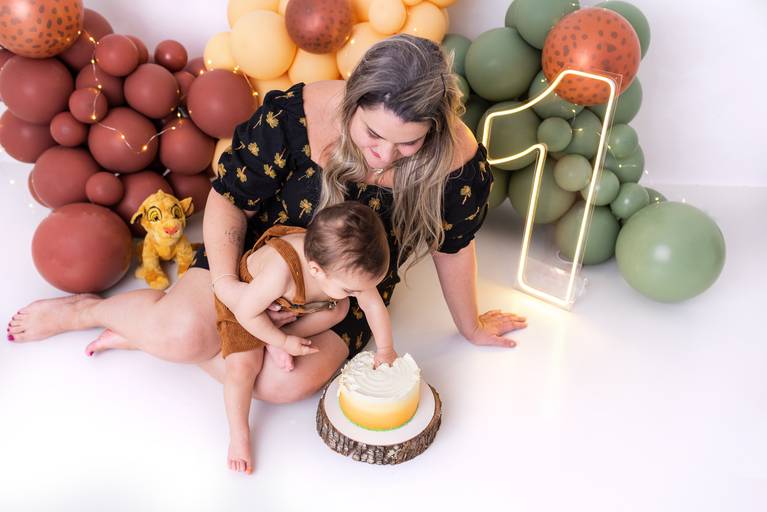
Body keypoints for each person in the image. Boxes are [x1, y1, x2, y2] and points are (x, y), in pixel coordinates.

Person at [8, 33, 527, 454]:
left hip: (340, 286)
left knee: (280, 385)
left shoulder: (457, 163)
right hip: (259, 257)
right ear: (352, 99)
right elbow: (230, 198)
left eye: (407, 142)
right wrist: (230, 289)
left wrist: (470, 326)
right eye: (372, 134)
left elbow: (453, 245)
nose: (384, 155)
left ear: (434, 129)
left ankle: (160, 334)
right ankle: (91, 311)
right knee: (181, 333)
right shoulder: (297, 115)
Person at [218, 201, 396, 473]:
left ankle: (279, 334)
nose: (358, 294)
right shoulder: (279, 273)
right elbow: (245, 312)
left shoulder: (338, 265)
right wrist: (281, 341)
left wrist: (385, 349)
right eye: (350, 289)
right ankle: (239, 435)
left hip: (288, 304)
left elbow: (372, 305)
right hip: (251, 304)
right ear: (316, 270)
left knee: (339, 309)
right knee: (243, 367)